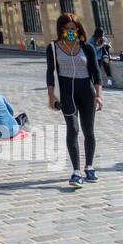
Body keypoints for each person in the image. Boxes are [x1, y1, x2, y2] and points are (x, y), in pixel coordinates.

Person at [45, 12, 103, 188]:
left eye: (74, 28)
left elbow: (96, 73)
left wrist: (99, 95)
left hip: (86, 91)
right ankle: (76, 171)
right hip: (66, 93)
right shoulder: (53, 47)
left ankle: (89, 167)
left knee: (88, 130)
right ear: (61, 29)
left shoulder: (87, 48)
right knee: (73, 128)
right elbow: (50, 72)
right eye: (67, 28)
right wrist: (51, 94)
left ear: (78, 29)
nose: (71, 31)